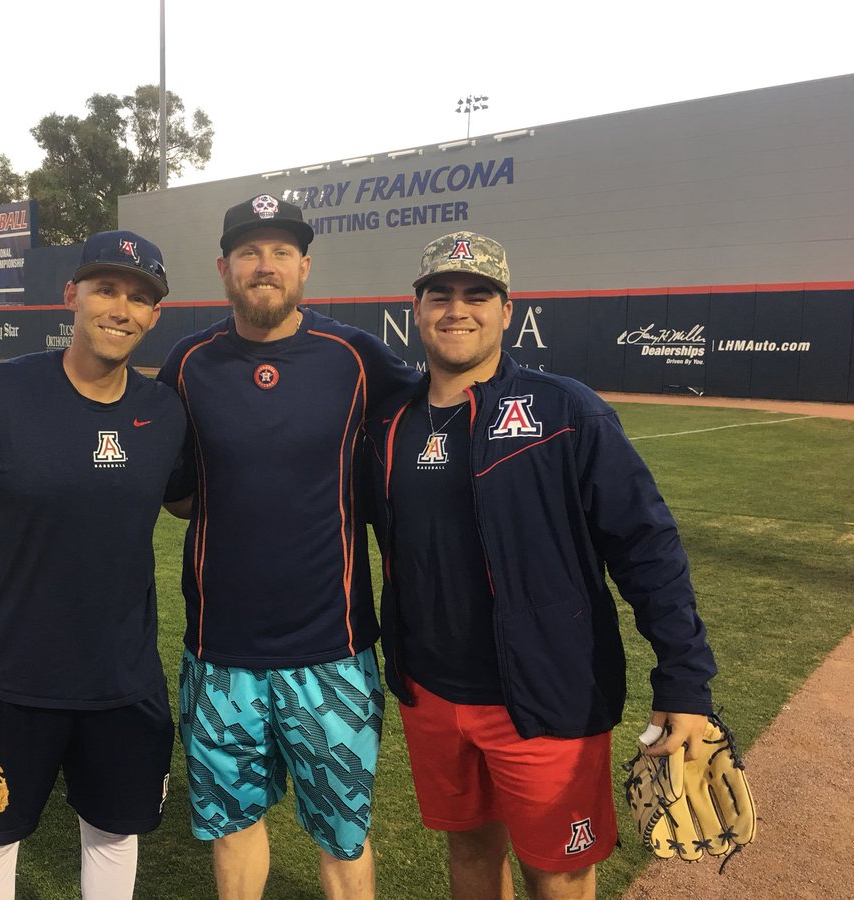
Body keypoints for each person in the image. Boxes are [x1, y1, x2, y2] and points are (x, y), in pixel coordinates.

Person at [364, 231, 718, 899]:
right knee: (469, 852)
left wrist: (685, 680)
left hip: (548, 693)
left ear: (507, 310)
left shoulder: (565, 410)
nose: (457, 310)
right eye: (441, 295)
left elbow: (647, 545)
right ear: (417, 309)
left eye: (478, 295)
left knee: (557, 872)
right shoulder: (388, 424)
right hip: (433, 692)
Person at [0, 230, 186, 900]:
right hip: (7, 679)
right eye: (106, 289)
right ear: (71, 294)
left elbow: (194, 502)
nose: (121, 308)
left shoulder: (165, 414)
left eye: (140, 297)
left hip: (123, 682)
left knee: (113, 836)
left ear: (155, 314)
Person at [156, 194, 420, 900]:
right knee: (232, 826)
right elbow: (175, 490)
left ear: (305, 266)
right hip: (220, 657)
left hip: (332, 654)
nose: (263, 265)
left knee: (343, 836)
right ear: (223, 268)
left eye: (280, 252)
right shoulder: (189, 363)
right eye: (248, 251)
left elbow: (435, 416)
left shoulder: (355, 357)